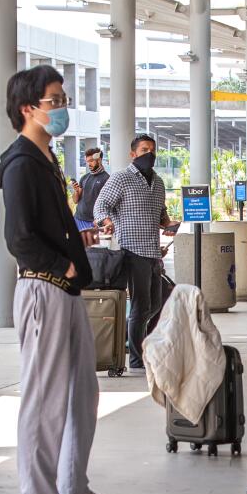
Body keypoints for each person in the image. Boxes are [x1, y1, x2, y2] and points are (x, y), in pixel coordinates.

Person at [0, 64, 129, 494]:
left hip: (65, 289)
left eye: (63, 99)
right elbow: (19, 237)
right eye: (55, 100)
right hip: (43, 289)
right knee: (45, 396)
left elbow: (47, 229)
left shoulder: (44, 161)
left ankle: (71, 490)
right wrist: (62, 264)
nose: (63, 108)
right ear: (28, 109)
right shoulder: (21, 165)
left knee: (81, 393)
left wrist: (79, 247)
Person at [93, 134, 170, 372]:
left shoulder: (158, 182)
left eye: (153, 150)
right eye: (144, 149)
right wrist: (106, 221)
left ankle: (131, 339)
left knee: (156, 304)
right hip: (131, 249)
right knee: (141, 305)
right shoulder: (121, 178)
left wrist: (169, 224)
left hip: (153, 251)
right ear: (133, 154)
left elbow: (161, 214)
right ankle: (137, 360)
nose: (150, 154)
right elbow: (100, 205)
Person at [72, 146, 109, 232]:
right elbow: (75, 200)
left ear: (99, 160)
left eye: (91, 161)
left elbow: (108, 203)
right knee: (77, 245)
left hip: (94, 222)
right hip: (78, 219)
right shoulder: (84, 177)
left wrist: (100, 219)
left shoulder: (107, 178)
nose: (89, 164)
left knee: (93, 245)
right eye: (87, 161)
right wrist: (76, 191)